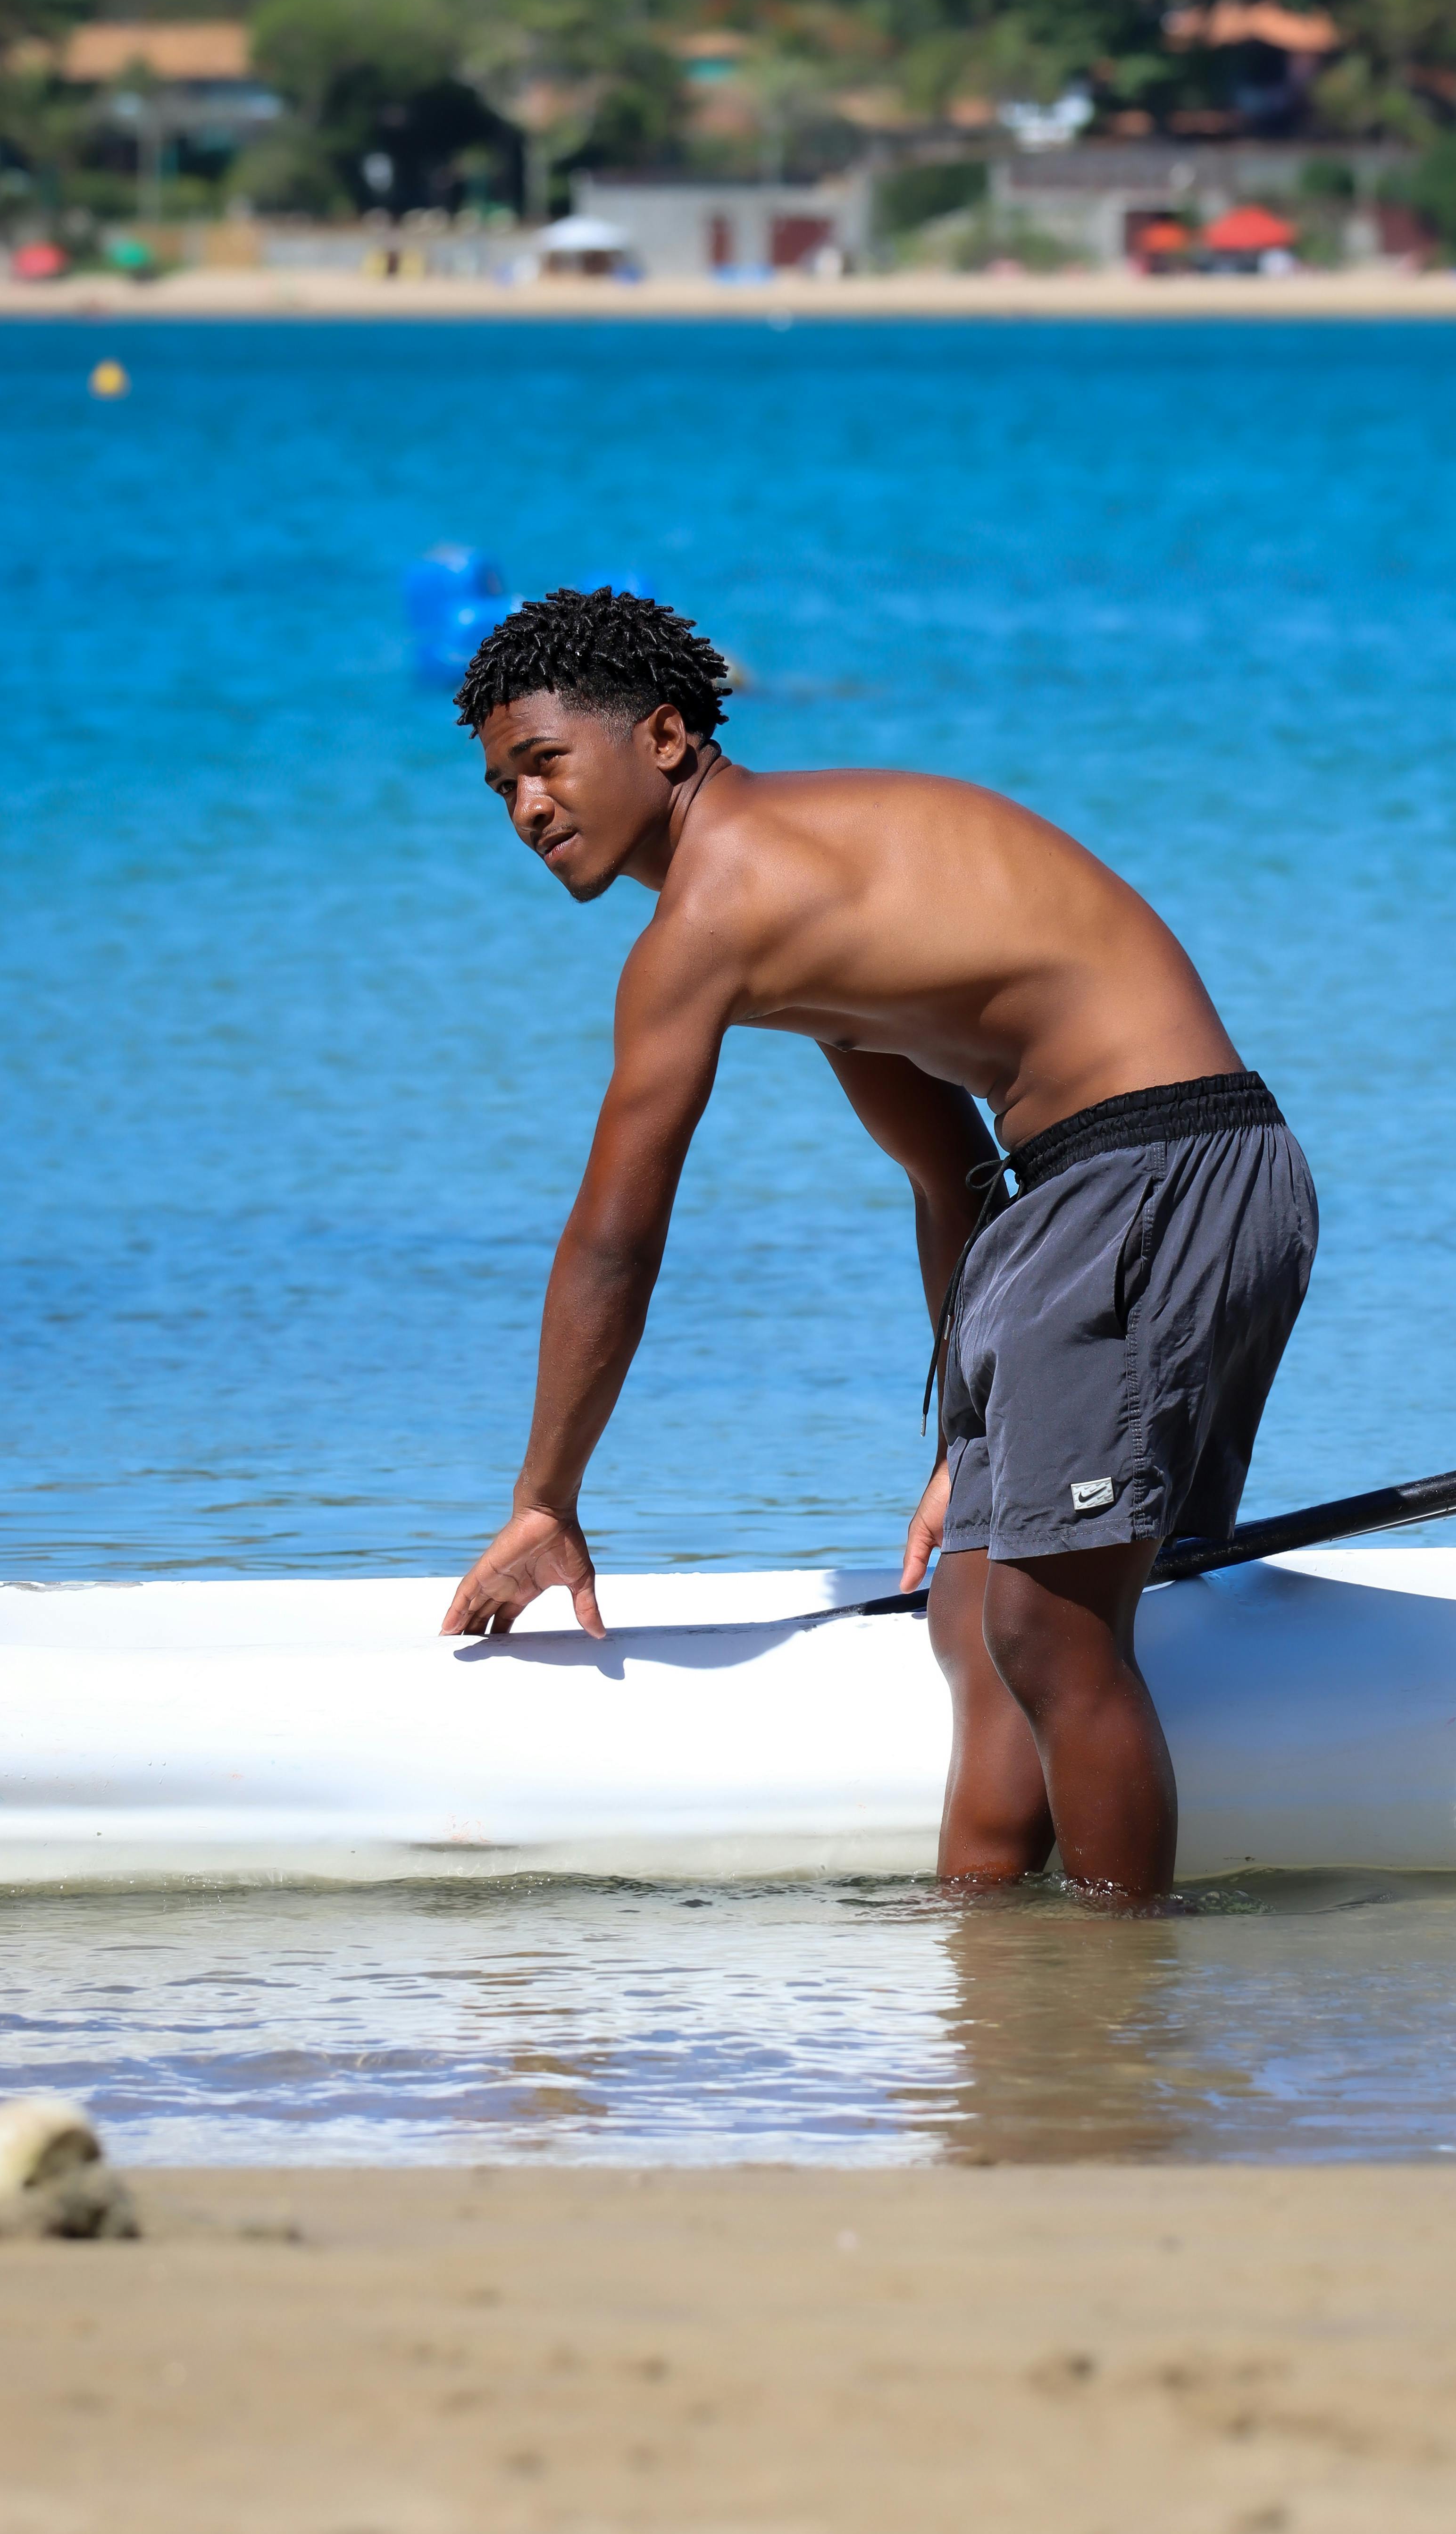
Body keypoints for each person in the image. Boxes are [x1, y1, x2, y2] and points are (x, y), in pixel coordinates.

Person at [438, 589, 1315, 1899]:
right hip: (1087, 1195)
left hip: (1153, 1172)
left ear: (665, 738)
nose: (526, 808)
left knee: (1048, 1633)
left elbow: (616, 1239)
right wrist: (970, 1438)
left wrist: (547, 1501)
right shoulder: (806, 894)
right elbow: (949, 1173)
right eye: (502, 786)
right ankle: (991, 1954)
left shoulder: (713, 914)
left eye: (546, 763)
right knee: (972, 1621)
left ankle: (1121, 1997)